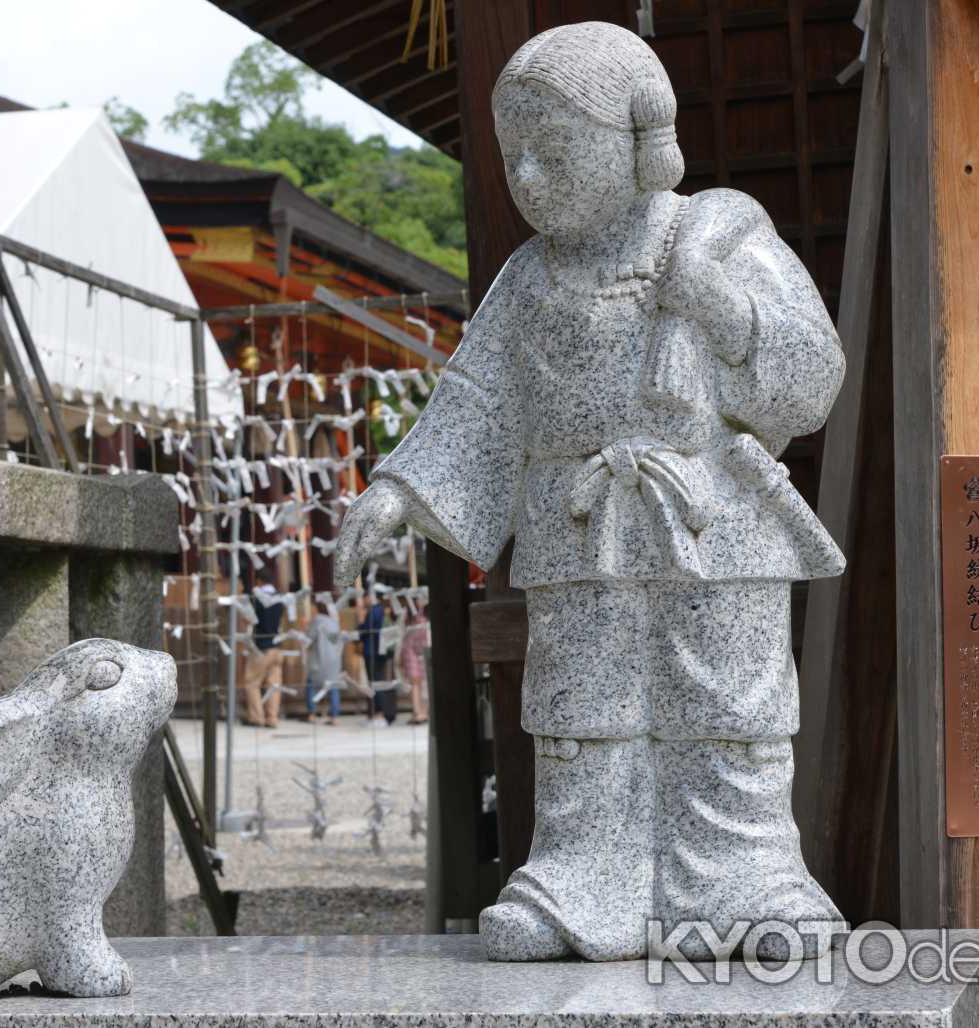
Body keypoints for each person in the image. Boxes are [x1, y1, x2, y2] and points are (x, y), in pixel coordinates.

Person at [334, 22, 845, 962]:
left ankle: (751, 879)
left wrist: (715, 304)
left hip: (712, 516)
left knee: (728, 708)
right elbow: (477, 400)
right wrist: (400, 488)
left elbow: (810, 377)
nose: (527, 176)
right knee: (582, 712)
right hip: (580, 529)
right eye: (513, 155)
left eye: (553, 151)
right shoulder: (527, 278)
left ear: (642, 143)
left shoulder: (720, 234)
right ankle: (581, 877)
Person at [242, 568, 285, 728]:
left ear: (259, 581)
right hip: (277, 646)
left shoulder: (257, 598)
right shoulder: (280, 598)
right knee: (274, 684)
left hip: (261, 647)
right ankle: (272, 718)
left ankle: (256, 717)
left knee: (252, 682)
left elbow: (249, 619)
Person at [356, 592, 394, 726]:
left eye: (364, 598)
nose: (363, 601)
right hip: (378, 651)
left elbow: (367, 629)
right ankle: (377, 714)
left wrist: (360, 623)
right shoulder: (380, 610)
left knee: (375, 682)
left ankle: (380, 715)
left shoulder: (375, 611)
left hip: (373, 651)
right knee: (376, 682)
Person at [303, 606, 344, 725]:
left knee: (311, 685)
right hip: (334, 661)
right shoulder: (334, 623)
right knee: (333, 686)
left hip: (319, 659)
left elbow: (308, 639)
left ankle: (311, 714)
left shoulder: (317, 621)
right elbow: (335, 642)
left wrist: (305, 627)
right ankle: (334, 717)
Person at [398, 606, 431, 725]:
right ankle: (418, 712)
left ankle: (425, 711)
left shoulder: (427, 610)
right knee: (415, 682)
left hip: (425, 648)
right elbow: (401, 632)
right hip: (410, 649)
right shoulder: (407, 612)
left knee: (426, 682)